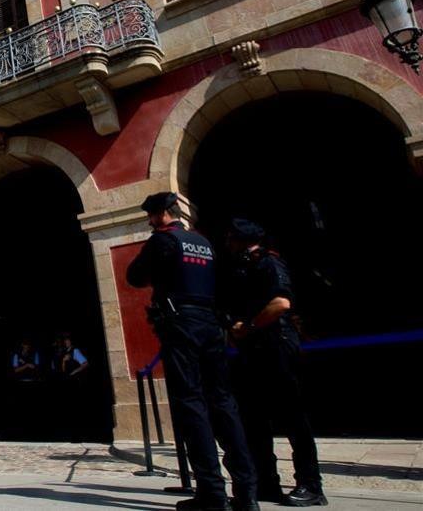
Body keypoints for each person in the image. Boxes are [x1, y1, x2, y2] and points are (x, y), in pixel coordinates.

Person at [126, 192, 259, 511]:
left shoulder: (162, 241)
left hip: (181, 324)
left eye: (151, 216)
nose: (149, 221)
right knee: (224, 403)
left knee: (191, 404)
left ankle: (212, 492)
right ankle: (247, 491)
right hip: (211, 325)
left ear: (161, 214)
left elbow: (134, 276)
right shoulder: (204, 243)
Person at [224, 219, 326, 507]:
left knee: (293, 418)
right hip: (255, 351)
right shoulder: (246, 268)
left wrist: (249, 326)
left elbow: (281, 304)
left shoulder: (270, 264)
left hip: (277, 345)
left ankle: (311, 485)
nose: (228, 245)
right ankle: (266, 483)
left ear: (245, 241)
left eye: (232, 239)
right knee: (254, 421)